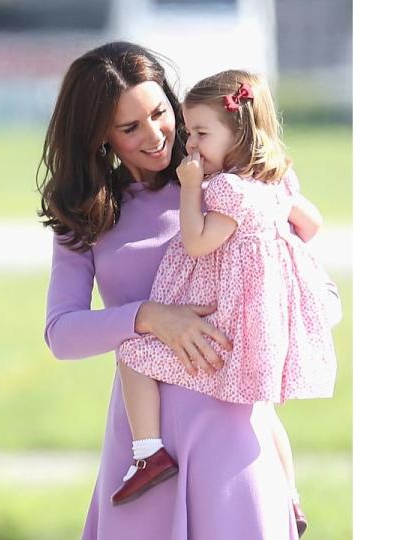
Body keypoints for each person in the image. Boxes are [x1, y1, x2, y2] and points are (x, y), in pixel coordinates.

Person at [41, 42, 338, 540]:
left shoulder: (234, 180)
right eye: (129, 127)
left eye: (161, 113)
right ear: (99, 136)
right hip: (146, 451)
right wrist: (151, 316)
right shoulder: (87, 215)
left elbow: (311, 278)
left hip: (234, 431)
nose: (156, 135)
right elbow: (62, 334)